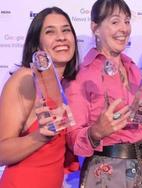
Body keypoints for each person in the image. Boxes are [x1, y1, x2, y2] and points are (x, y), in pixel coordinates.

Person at [64, 0, 142, 187]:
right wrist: (95, 132)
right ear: (95, 28)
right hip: (106, 172)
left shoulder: (134, 69)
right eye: (115, 22)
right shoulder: (81, 75)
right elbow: (72, 138)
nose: (124, 28)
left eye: (127, 21)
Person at [0, 7, 79, 188]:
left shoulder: (67, 85)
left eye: (66, 30)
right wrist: (40, 137)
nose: (61, 37)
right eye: (50, 32)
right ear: (37, 44)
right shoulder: (26, 78)